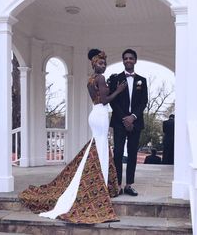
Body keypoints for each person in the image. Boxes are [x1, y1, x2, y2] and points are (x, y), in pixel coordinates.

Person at [18, 49, 127, 224]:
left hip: (94, 113)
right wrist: (119, 90)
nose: (103, 66)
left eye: (104, 63)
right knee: (100, 148)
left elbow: (98, 98)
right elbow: (105, 100)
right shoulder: (99, 78)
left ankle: (103, 182)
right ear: (94, 64)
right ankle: (101, 184)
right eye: (100, 63)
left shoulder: (89, 80)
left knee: (98, 146)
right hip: (100, 114)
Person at [108, 49, 148, 196]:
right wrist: (125, 118)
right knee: (117, 153)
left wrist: (133, 117)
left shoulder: (142, 80)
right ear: (123, 61)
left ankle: (129, 185)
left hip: (136, 123)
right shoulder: (115, 79)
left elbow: (144, 101)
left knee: (132, 154)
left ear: (135, 60)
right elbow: (113, 101)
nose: (128, 60)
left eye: (131, 58)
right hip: (119, 122)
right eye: (125, 58)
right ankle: (118, 185)